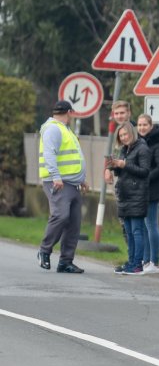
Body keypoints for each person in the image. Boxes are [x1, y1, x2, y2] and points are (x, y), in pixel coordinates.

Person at [37, 100, 87, 273]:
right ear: (70, 112)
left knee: (73, 223)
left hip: (72, 184)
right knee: (61, 215)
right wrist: (56, 176)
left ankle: (66, 261)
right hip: (58, 182)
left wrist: (81, 179)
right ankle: (44, 250)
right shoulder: (53, 128)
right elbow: (49, 153)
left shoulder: (65, 129)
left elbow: (72, 158)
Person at [108, 122, 151, 275]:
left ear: (132, 133)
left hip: (137, 194)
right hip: (125, 194)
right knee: (129, 232)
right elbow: (123, 172)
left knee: (137, 231)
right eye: (121, 136)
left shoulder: (142, 148)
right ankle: (131, 262)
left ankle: (138, 264)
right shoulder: (125, 150)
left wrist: (124, 164)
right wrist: (114, 166)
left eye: (126, 134)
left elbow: (145, 171)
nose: (124, 138)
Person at [136, 114, 159, 274]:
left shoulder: (157, 144)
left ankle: (155, 261)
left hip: (152, 189)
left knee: (151, 224)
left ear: (151, 125)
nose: (141, 128)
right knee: (145, 226)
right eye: (139, 125)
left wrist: (145, 178)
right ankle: (146, 260)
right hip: (141, 189)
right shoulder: (140, 142)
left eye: (144, 125)